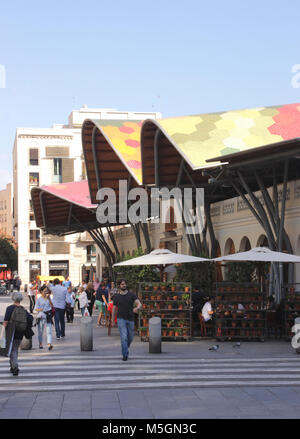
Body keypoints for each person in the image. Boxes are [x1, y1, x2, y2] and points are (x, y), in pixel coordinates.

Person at [1, 291, 33, 376]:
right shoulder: (23, 309)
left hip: (11, 331)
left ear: (13, 298)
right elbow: (29, 319)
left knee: (13, 349)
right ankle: (12, 366)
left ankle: (15, 367)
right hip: (20, 332)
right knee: (14, 349)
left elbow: (5, 321)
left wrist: (2, 332)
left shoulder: (10, 308)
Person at [112, 279, 142, 361]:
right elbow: (114, 309)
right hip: (121, 319)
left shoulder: (131, 295)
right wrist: (112, 320)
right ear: (119, 286)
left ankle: (126, 347)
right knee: (124, 337)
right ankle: (125, 355)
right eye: (122, 284)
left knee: (131, 337)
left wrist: (137, 308)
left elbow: (139, 303)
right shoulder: (116, 297)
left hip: (130, 318)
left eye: (124, 284)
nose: (124, 285)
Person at [34, 285, 54, 350]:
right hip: (41, 315)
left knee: (49, 330)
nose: (46, 292)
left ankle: (49, 344)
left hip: (48, 315)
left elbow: (52, 306)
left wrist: (49, 299)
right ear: (41, 291)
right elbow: (36, 309)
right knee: (40, 331)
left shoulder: (49, 298)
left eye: (47, 291)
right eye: (45, 291)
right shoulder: (39, 299)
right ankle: (40, 343)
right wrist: (41, 310)